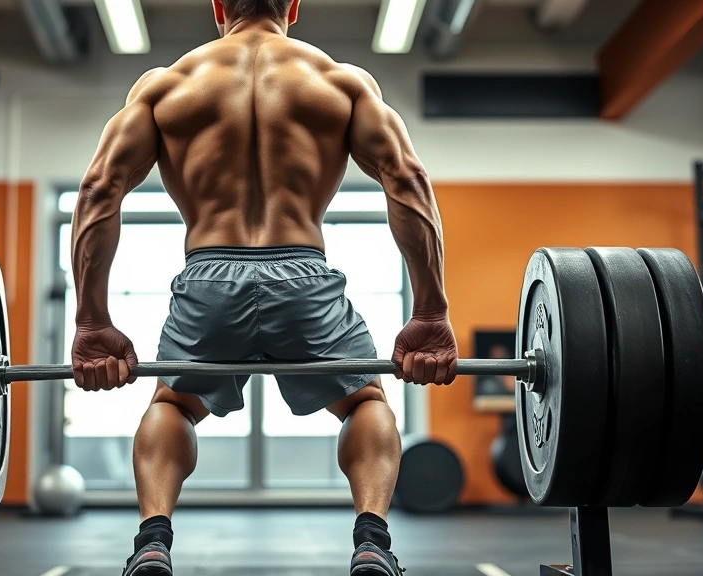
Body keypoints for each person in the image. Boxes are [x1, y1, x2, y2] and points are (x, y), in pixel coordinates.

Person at [69, 1, 457, 574]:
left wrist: (92, 320)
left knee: (173, 403)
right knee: (367, 401)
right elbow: (408, 179)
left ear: (218, 5)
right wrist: (430, 308)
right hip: (304, 275)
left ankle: (153, 540)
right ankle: (372, 541)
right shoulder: (340, 82)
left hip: (207, 277)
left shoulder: (164, 87)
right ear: (293, 6)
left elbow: (100, 188)